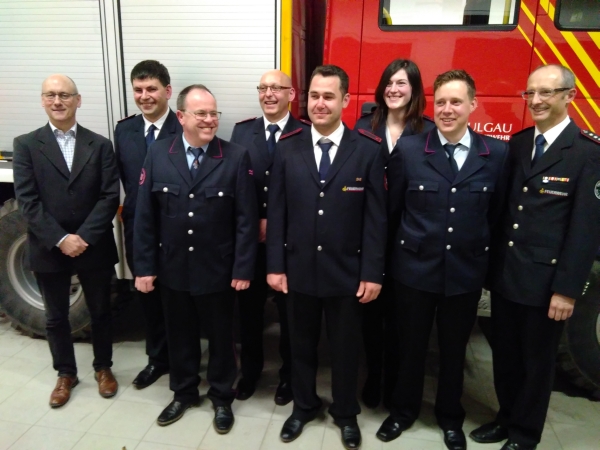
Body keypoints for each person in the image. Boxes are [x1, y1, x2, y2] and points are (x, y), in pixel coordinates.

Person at [377, 70, 509, 450]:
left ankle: (450, 418)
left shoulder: (495, 154)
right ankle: (402, 412)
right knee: (410, 347)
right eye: (441, 102)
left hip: (464, 274)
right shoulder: (411, 149)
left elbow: (495, 215)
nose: (447, 110)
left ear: (472, 104)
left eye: (456, 102)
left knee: (454, 352)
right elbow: (394, 209)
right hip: (414, 271)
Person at [470, 65, 600, 450]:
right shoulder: (521, 143)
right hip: (508, 276)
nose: (537, 101)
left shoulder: (587, 152)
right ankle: (505, 418)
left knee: (537, 363)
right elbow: (506, 212)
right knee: (506, 357)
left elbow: (585, 233)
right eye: (530, 94)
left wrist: (567, 290)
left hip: (547, 283)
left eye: (546, 93)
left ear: (569, 96)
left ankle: (525, 435)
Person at [267, 65, 387, 449]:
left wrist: (372, 272)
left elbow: (375, 219)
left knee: (346, 348)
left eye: (328, 96)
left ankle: (345, 413)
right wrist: (275, 266)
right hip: (298, 270)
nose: (320, 103)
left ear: (345, 101)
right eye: (314, 96)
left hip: (347, 274)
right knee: (299, 344)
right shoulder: (288, 147)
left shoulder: (367, 149)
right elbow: (277, 212)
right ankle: (303, 406)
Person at [133, 84, 258, 432]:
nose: (209, 120)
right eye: (201, 113)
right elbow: (145, 216)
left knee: (221, 338)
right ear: (181, 116)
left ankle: (221, 398)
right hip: (173, 267)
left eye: (213, 113)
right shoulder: (159, 154)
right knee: (180, 336)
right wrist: (144, 267)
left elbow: (245, 221)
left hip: (218, 269)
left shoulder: (235, 156)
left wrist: (242, 267)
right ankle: (183, 392)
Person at [13, 74, 120, 408]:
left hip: (94, 245)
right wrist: (60, 239)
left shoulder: (100, 145)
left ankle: (104, 368)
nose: (57, 101)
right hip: (49, 247)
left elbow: (109, 196)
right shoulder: (26, 145)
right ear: (43, 100)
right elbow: (28, 201)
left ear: (78, 100)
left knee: (101, 311)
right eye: (50, 95)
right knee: (55, 317)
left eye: (64, 95)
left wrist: (83, 237)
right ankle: (66, 374)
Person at [354, 58, 435, 409]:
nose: (394, 89)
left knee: (404, 324)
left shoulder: (428, 131)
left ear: (415, 90)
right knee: (370, 319)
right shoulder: (362, 126)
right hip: (369, 240)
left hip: (409, 242)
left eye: (402, 83)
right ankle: (374, 377)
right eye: (389, 82)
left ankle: (398, 388)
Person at [229, 69, 309, 405]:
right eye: (263, 88)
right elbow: (234, 184)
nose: (269, 94)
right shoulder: (242, 131)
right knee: (249, 315)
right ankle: (249, 373)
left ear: (291, 94)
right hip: (252, 242)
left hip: (290, 244)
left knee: (291, 317)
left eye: (276, 88)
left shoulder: (304, 132)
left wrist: (275, 224)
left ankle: (289, 378)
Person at [115, 60, 182, 389]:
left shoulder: (183, 129)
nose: (145, 96)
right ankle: (157, 359)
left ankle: (183, 360)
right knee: (147, 295)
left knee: (175, 297)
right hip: (136, 228)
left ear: (167, 92)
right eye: (138, 90)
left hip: (174, 228)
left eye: (151, 89)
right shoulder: (123, 130)